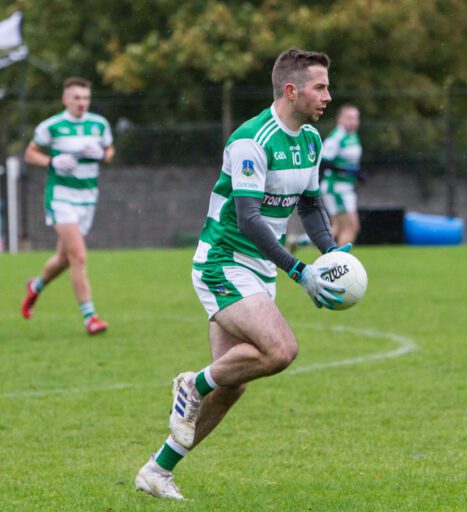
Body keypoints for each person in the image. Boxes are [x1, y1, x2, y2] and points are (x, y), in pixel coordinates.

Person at [135, 48, 351, 500]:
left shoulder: (310, 140)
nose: (328, 95)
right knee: (281, 350)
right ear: (291, 90)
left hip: (255, 269)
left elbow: (310, 205)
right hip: (224, 261)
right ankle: (191, 384)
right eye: (320, 86)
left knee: (232, 386)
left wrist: (330, 255)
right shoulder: (252, 140)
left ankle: (157, 470)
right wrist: (298, 270)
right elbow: (250, 218)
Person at [21, 76, 114, 334]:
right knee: (79, 255)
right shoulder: (52, 126)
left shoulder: (99, 124)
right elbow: (30, 153)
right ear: (65, 99)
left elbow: (110, 151)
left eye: (85, 98)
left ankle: (35, 286)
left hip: (88, 197)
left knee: (64, 258)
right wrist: (53, 161)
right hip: (61, 196)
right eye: (76, 98)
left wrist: (102, 155)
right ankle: (90, 317)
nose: (81, 103)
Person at [320, 104, 363, 245]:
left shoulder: (352, 135)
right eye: (349, 118)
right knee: (351, 227)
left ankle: (298, 241)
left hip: (345, 187)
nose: (354, 122)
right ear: (339, 120)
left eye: (356, 118)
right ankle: (340, 264)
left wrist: (356, 173)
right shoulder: (336, 137)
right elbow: (324, 162)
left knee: (336, 229)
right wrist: (346, 171)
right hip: (336, 188)